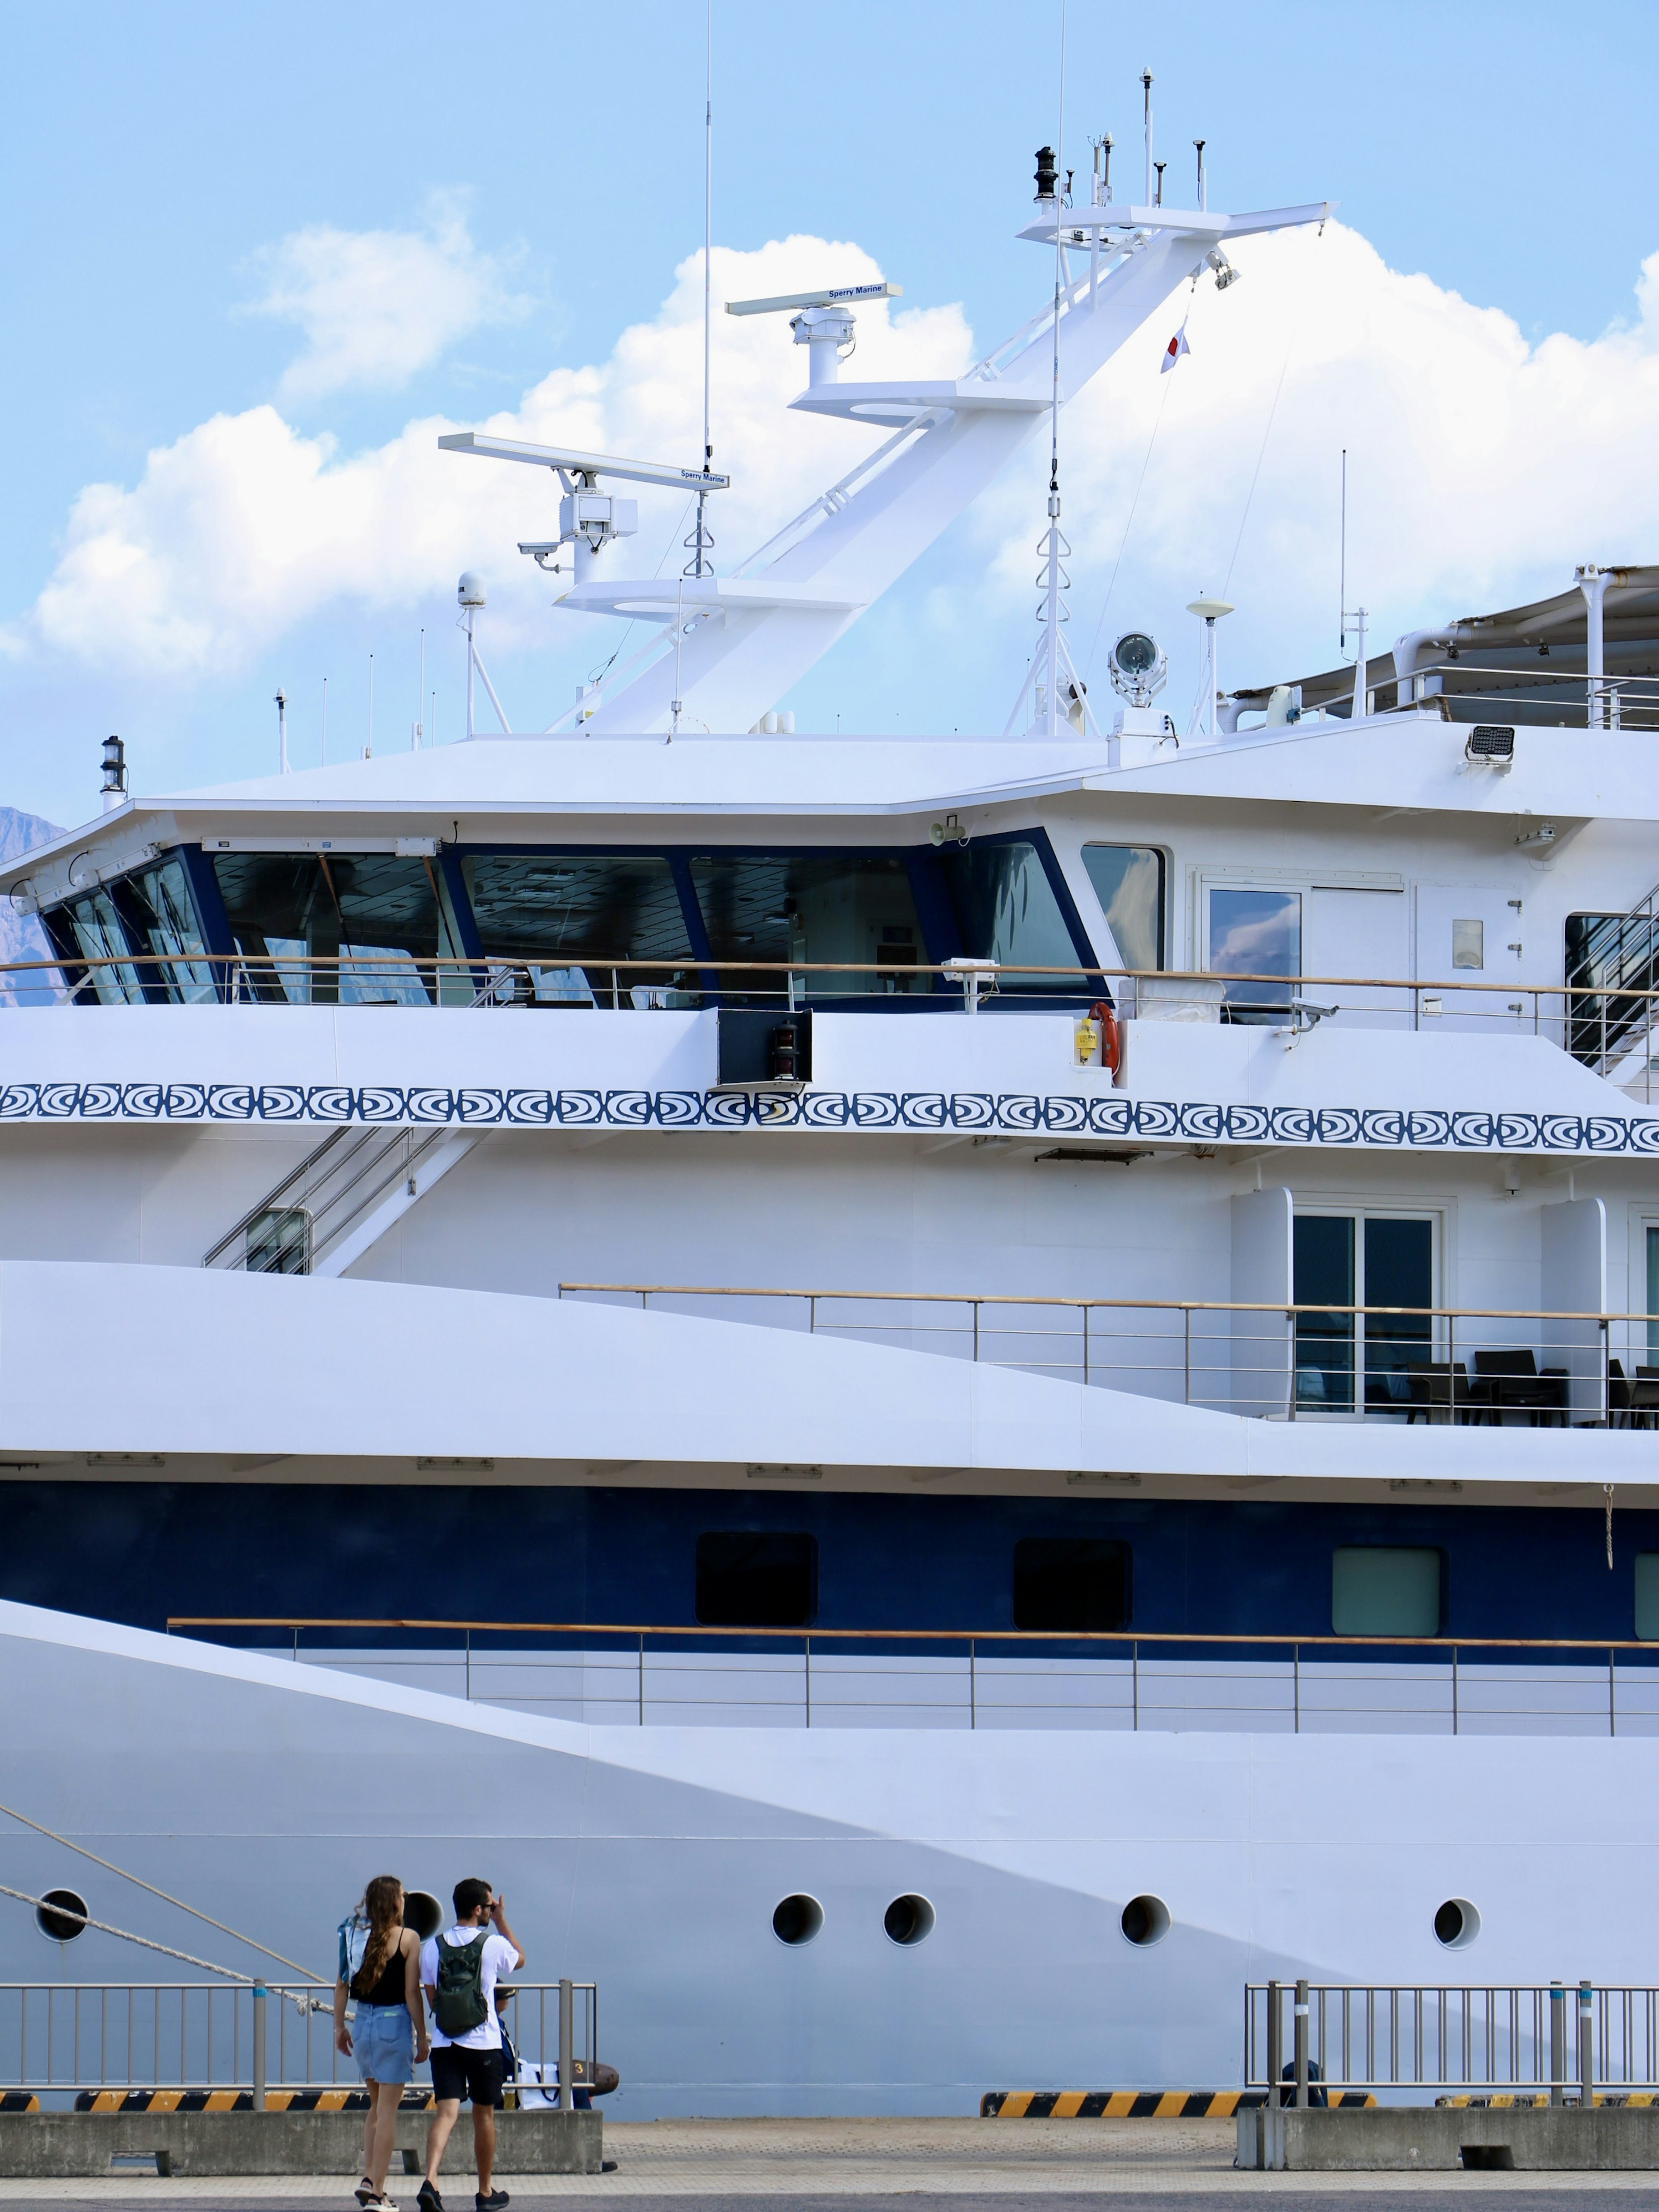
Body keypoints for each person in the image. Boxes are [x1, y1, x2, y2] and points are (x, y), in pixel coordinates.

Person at [417, 1880, 524, 2212]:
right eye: (489, 1906)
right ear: (479, 1910)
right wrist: (502, 1920)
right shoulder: (491, 1944)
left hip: (446, 2043)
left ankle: (431, 2181)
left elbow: (431, 1996)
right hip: (484, 2044)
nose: (492, 1910)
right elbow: (519, 1960)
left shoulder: (433, 1947)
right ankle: (485, 2192)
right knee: (484, 2117)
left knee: (446, 2114)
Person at [333, 1875, 429, 2212]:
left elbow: (342, 1985)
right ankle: (377, 2193)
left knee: (375, 2107)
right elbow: (411, 1993)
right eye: (402, 1896)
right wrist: (421, 2035)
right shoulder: (408, 1938)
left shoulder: (353, 1935)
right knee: (389, 2110)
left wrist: (338, 2029)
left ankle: (368, 2179)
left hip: (362, 2025)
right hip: (393, 2026)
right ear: (395, 1902)